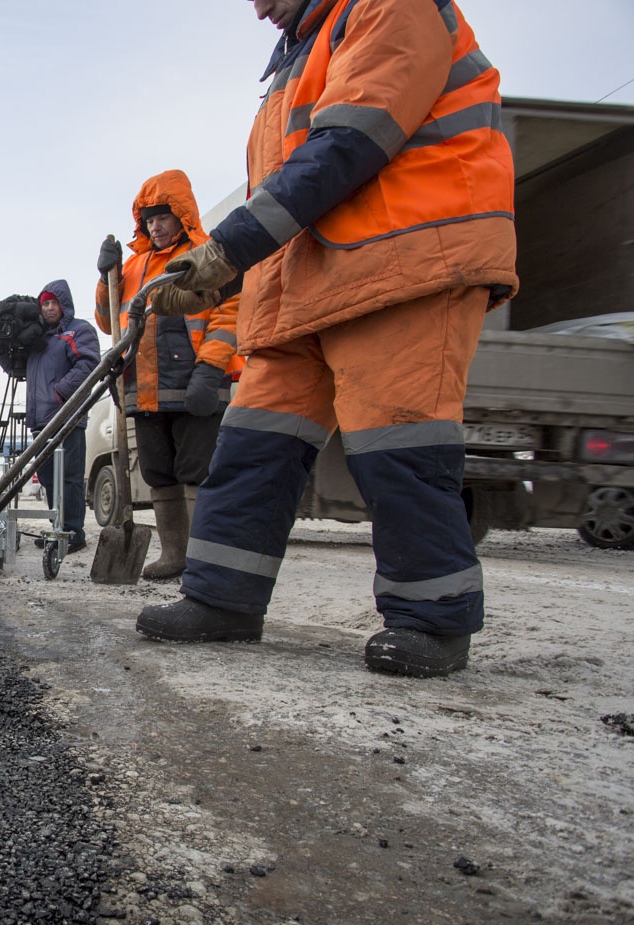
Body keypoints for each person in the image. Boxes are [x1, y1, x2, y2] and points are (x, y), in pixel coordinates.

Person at [136, 0, 517, 678]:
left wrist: (227, 252)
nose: (255, 9)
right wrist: (225, 279)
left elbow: (346, 148)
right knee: (252, 446)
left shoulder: (388, 6)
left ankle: (431, 619)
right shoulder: (296, 54)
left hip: (405, 266)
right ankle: (221, 599)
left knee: (397, 447)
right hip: (304, 288)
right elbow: (291, 185)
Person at [93, 170, 241, 580]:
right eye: (148, 220)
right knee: (160, 475)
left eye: (163, 217)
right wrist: (105, 280)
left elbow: (228, 316)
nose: (155, 226)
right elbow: (109, 323)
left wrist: (210, 370)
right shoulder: (134, 267)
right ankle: (175, 555)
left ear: (181, 215)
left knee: (198, 472)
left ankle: (204, 560)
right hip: (145, 390)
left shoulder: (205, 256)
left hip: (195, 384)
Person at [26, 280, 99, 553]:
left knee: (68, 476)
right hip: (42, 419)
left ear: (64, 304)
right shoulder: (38, 337)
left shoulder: (78, 330)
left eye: (54, 303)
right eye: (44, 303)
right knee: (47, 477)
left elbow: (89, 364)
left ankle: (72, 532)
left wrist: (60, 393)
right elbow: (18, 369)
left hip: (67, 418)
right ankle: (57, 527)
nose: (49, 308)